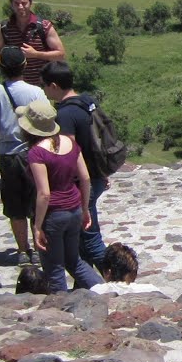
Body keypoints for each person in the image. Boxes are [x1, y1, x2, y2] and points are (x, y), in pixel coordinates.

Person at [17, 96, 98, 292]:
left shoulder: (37, 153)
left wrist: (37, 227)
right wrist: (85, 208)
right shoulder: (70, 142)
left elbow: (44, 193)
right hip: (74, 209)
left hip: (53, 214)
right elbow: (85, 178)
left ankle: (60, 309)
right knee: (75, 262)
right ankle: (104, 291)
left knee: (54, 269)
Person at [40, 61, 111, 267]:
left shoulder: (65, 114)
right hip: (95, 174)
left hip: (81, 182)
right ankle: (86, 284)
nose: (43, 90)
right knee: (83, 238)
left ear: (53, 86)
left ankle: (117, 275)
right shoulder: (87, 102)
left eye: (44, 85)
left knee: (89, 238)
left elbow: (68, 154)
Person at [0, 45, 43, 264]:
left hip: (7, 154)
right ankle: (38, 247)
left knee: (15, 207)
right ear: (24, 66)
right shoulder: (35, 92)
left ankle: (22, 250)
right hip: (33, 152)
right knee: (36, 201)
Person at [0, 0, 64, 86]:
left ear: (31, 3)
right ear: (11, 4)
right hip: (14, 87)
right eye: (16, 3)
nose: (20, 7)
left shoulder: (44, 26)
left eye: (24, 3)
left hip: (41, 87)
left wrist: (36, 54)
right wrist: (5, 67)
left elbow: (61, 55)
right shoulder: (5, 27)